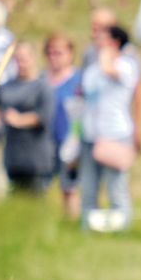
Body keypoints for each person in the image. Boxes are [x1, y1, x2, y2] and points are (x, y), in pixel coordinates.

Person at [78, 21, 140, 231]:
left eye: (102, 38)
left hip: (115, 134)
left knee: (116, 187)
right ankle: (87, 227)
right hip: (90, 133)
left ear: (115, 42)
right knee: (88, 186)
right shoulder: (92, 69)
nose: (96, 41)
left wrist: (107, 55)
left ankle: (122, 227)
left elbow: (110, 71)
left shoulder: (126, 65)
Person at [0, 42, 53, 193]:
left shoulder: (43, 87)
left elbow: (44, 116)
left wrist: (19, 120)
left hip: (36, 162)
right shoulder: (6, 87)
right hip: (12, 159)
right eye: (17, 59)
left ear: (33, 58)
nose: (21, 64)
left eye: (24, 59)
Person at [43, 32, 82, 221]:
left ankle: (72, 221)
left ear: (70, 54)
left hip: (69, 142)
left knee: (70, 188)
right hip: (44, 141)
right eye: (50, 53)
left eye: (58, 53)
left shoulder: (78, 80)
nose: (53, 57)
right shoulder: (41, 79)